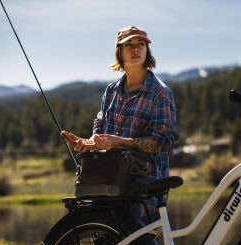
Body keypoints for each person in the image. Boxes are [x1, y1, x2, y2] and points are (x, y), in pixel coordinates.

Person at [62, 25, 179, 221]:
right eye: (129, 45)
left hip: (144, 189)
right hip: (109, 184)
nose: (136, 49)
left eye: (141, 44)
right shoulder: (111, 91)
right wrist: (89, 143)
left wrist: (120, 142)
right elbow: (100, 129)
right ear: (119, 52)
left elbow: (158, 143)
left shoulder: (160, 92)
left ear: (146, 51)